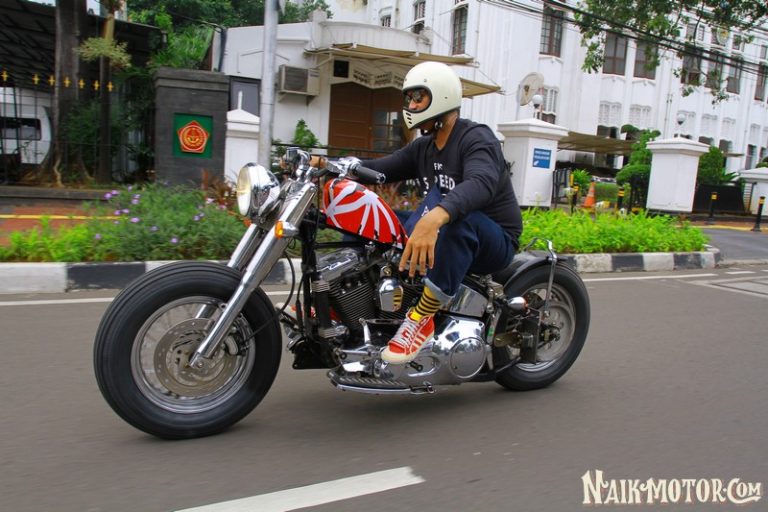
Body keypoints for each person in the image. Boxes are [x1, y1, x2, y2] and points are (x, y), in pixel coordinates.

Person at [362, 61, 523, 364]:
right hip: (445, 226)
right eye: (409, 98)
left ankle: (421, 319)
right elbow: (379, 168)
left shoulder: (476, 138)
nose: (411, 105)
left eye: (418, 97)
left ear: (442, 95)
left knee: (456, 222)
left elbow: (481, 182)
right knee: (375, 218)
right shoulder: (424, 147)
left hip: (493, 239)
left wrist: (436, 216)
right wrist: (328, 166)